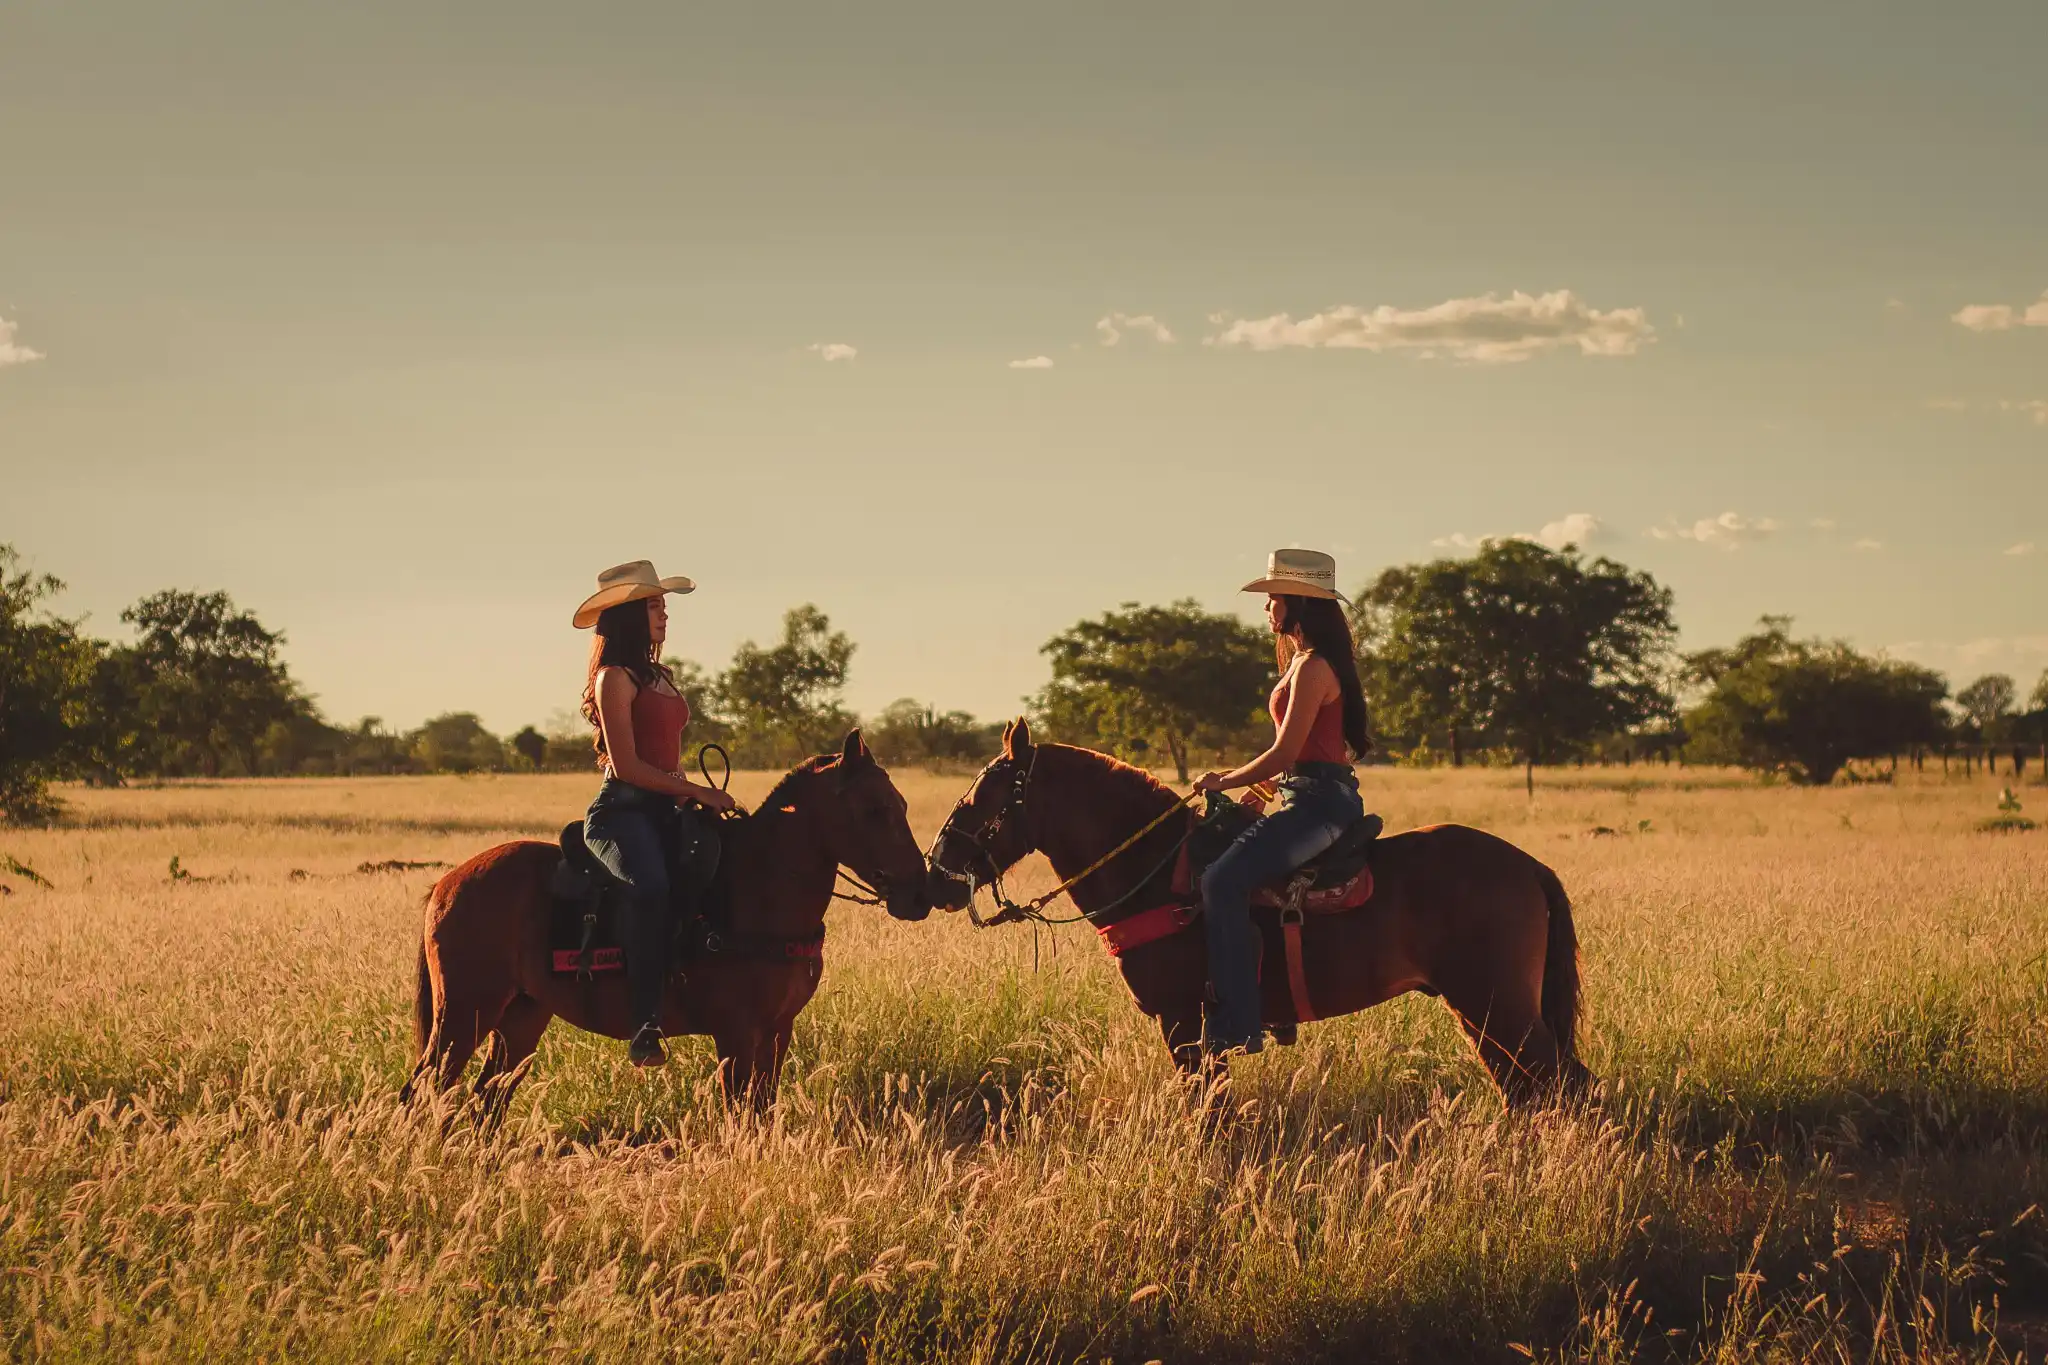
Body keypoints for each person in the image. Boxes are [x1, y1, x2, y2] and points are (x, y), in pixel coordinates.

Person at [1191, 548, 1372, 1056]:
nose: (1267, 609)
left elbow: (1286, 752)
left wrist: (1221, 782)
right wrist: (1258, 793)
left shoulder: (1314, 669)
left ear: (1297, 603)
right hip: (1302, 795)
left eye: (1273, 599)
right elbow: (1294, 759)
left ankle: (1238, 1024)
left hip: (1321, 806)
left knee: (1222, 880)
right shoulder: (1300, 663)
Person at [573, 560, 736, 1066]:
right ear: (627, 616)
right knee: (651, 888)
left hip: (666, 807)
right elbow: (625, 766)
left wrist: (685, 788)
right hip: (621, 813)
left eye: (663, 604)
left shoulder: (659, 675)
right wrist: (699, 794)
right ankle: (644, 1021)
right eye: (653, 604)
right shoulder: (613, 678)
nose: (664, 612)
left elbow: (662, 753)